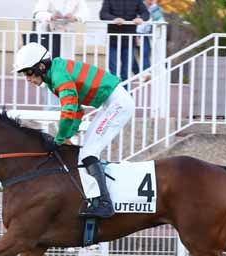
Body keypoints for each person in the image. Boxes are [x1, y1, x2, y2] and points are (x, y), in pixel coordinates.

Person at [14, 42, 135, 219]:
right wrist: (66, 136)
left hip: (118, 104)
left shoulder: (58, 76)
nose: (28, 79)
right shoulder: (54, 75)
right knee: (85, 152)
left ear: (41, 66)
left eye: (29, 72)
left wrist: (60, 138)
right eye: (24, 74)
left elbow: (69, 109)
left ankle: (104, 203)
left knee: (88, 153)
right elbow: (77, 109)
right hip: (112, 103)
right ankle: (97, 199)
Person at [99, 0, 149, 82]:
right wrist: (114, 19)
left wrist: (141, 18)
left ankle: (126, 93)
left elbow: (146, 13)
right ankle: (114, 93)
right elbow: (103, 14)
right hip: (113, 40)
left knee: (126, 72)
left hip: (129, 40)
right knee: (113, 70)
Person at [135, 0, 164, 76]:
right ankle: (138, 73)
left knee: (145, 53)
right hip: (134, 33)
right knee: (130, 55)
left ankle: (146, 73)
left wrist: (154, 6)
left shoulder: (153, 8)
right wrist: (136, 36)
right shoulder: (137, 5)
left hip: (144, 34)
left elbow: (160, 20)